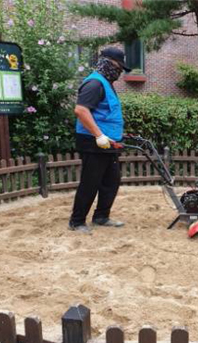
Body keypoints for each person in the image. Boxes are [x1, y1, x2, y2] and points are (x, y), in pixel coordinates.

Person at [69, 47, 131, 233]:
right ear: (108, 63)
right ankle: (77, 221)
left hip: (108, 143)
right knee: (90, 182)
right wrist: (99, 135)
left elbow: (106, 113)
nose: (120, 72)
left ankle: (101, 216)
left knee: (111, 181)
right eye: (119, 67)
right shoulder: (95, 84)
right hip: (94, 143)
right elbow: (81, 110)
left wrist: (117, 134)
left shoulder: (106, 83)